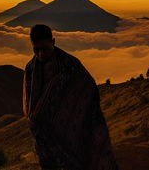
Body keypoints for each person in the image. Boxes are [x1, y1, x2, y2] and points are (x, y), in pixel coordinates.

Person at [22, 24, 119, 170]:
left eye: (44, 48)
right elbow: (29, 104)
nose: (40, 54)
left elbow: (89, 89)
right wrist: (36, 117)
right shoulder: (30, 69)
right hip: (44, 137)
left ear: (53, 42)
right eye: (36, 49)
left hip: (73, 130)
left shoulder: (71, 66)